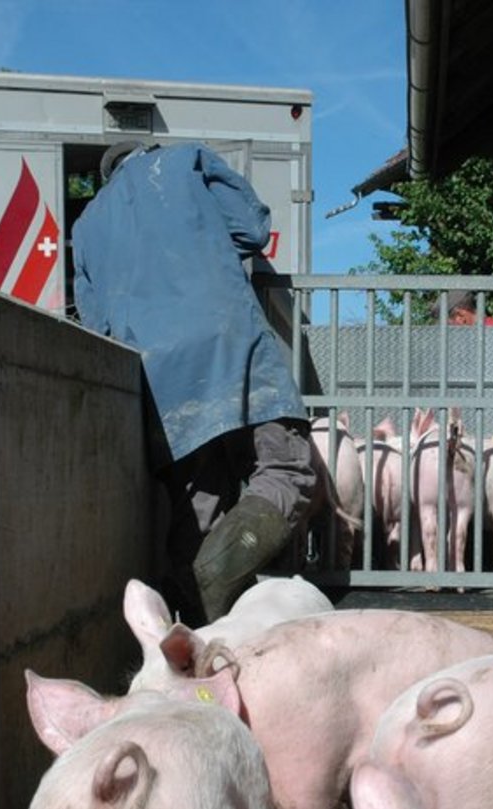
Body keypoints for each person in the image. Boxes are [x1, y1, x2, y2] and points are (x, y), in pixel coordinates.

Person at [72, 141, 315, 624]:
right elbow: (253, 228)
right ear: (147, 151)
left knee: (198, 506)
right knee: (287, 470)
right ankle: (205, 578)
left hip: (159, 373)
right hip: (228, 339)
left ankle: (191, 633)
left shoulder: (86, 224)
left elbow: (95, 321)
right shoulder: (184, 160)